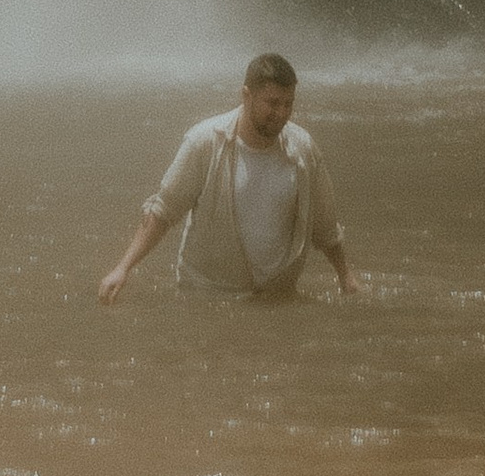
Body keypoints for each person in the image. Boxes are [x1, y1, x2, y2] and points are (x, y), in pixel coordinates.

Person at [99, 52, 360, 303]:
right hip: (209, 296)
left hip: (277, 297)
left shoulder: (303, 149)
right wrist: (123, 268)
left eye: (288, 103)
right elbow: (164, 210)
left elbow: (325, 225)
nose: (281, 113)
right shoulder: (204, 142)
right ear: (246, 96)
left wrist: (345, 277)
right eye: (272, 103)